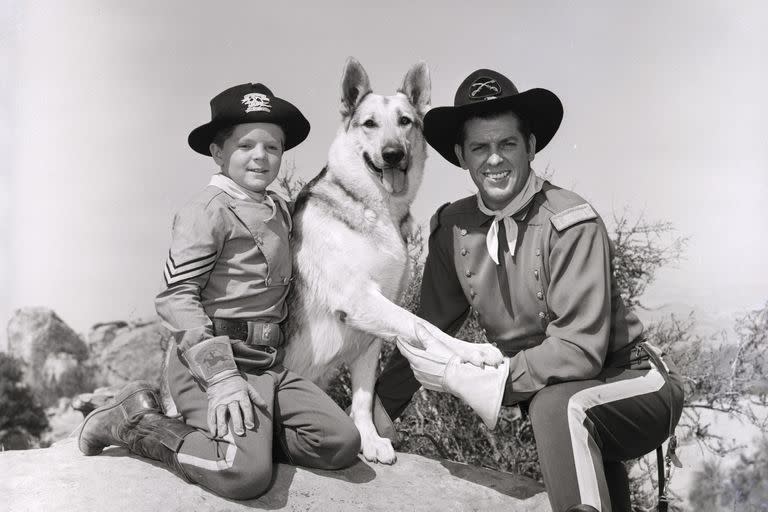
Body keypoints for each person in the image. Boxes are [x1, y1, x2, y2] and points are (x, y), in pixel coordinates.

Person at [375, 69, 684, 512]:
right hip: (564, 397)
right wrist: (380, 409)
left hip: (632, 381)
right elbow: (426, 329)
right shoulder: (452, 228)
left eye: (507, 144)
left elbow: (579, 352)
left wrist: (484, 381)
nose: (494, 160)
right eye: (480, 147)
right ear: (462, 155)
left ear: (531, 147)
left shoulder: (572, 222)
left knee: (557, 406)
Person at [78, 83, 361, 500]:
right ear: (217, 153)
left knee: (340, 442)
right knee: (245, 475)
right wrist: (223, 378)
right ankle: (133, 422)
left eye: (273, 147)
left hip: (266, 367)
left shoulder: (280, 209)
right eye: (245, 145)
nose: (261, 156)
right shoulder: (206, 210)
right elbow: (176, 297)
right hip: (213, 366)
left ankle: (249, 438)